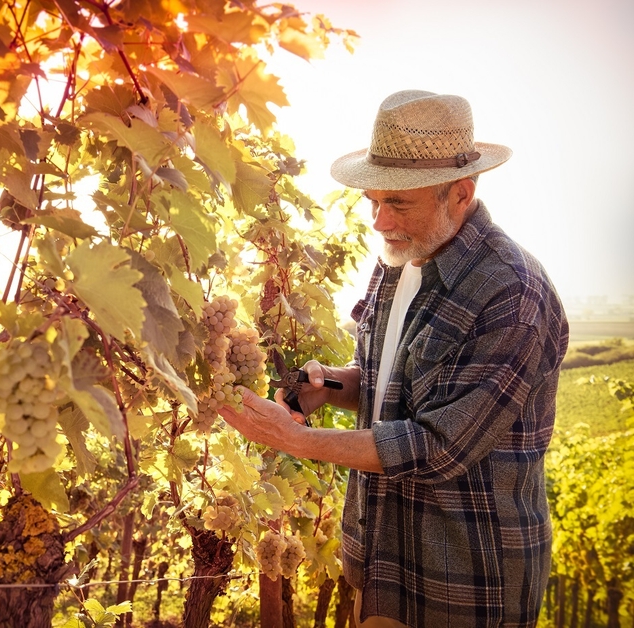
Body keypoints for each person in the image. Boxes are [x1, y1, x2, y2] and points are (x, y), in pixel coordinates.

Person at [218, 90, 569, 627]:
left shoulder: (512, 293)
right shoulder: (400, 258)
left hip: (464, 584)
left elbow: (439, 446)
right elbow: (392, 382)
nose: (380, 222)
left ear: (461, 193)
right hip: (381, 563)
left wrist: (295, 439)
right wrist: (333, 384)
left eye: (399, 203)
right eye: (373, 201)